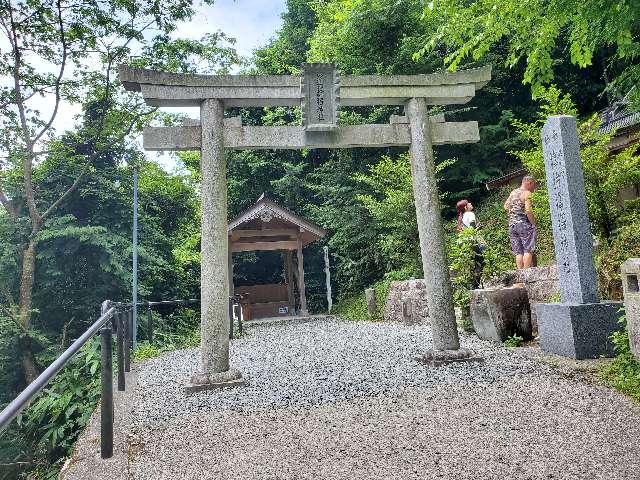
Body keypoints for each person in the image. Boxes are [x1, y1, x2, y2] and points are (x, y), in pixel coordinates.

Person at [504, 175, 537, 269]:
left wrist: (514, 210)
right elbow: (528, 210)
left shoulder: (513, 192)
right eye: (533, 185)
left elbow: (505, 206)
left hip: (512, 225)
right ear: (529, 183)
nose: (534, 188)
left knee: (518, 252)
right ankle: (526, 275)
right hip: (523, 224)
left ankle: (520, 278)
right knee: (528, 250)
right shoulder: (527, 193)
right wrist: (533, 223)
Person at [456, 199, 484, 288]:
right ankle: (476, 284)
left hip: (465, 242)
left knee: (472, 263)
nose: (471, 204)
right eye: (468, 203)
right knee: (481, 262)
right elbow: (472, 229)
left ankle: (472, 284)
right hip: (472, 241)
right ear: (465, 207)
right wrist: (479, 227)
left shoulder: (463, 216)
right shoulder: (470, 214)